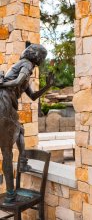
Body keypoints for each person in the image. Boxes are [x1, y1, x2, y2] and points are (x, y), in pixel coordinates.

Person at [0, 42, 54, 203]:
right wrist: (1, 84)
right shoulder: (27, 64)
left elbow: (33, 96)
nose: (43, 59)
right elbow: (16, 82)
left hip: (6, 104)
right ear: (36, 55)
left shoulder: (24, 68)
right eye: (42, 56)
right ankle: (10, 194)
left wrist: (48, 86)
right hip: (4, 103)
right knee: (7, 152)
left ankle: (23, 163)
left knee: (20, 131)